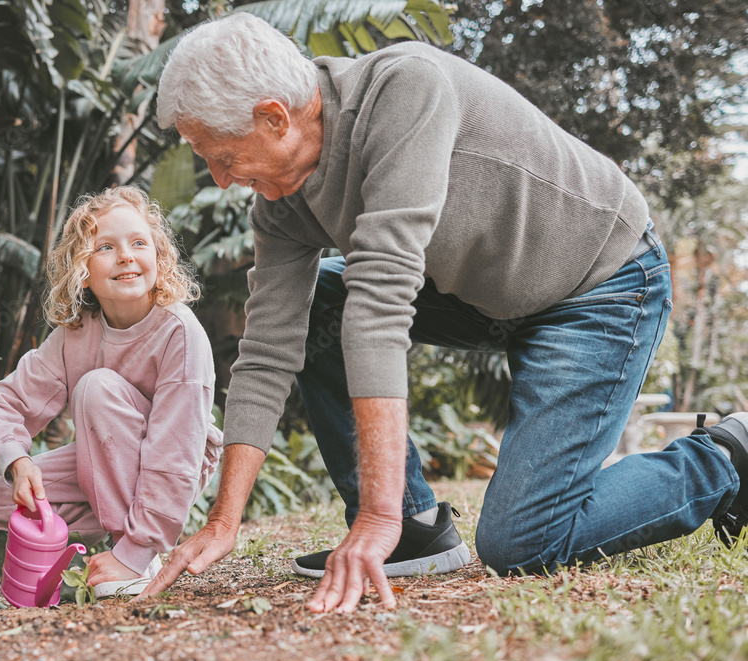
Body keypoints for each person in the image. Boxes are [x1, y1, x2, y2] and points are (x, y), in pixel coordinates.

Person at [140, 12, 748, 613]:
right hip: (486, 299)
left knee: (523, 543)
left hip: (599, 287)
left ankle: (722, 455)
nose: (220, 179)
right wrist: (224, 521)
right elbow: (270, 347)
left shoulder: (405, 90)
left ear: (274, 118)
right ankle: (412, 526)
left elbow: (382, 299)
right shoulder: (280, 203)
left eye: (221, 155)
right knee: (321, 298)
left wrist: (371, 516)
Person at [0, 186, 223, 598]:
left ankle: (138, 557)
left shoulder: (180, 332)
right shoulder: (75, 334)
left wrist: (139, 547)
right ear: (82, 269)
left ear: (158, 256)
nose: (126, 255)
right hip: (104, 460)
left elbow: (175, 453)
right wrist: (17, 462)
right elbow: (2, 405)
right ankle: (104, 549)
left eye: (139, 243)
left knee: (96, 387)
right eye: (106, 246)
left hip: (174, 463)